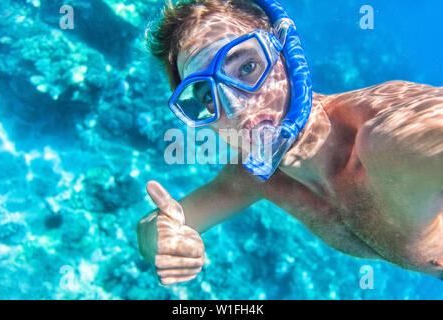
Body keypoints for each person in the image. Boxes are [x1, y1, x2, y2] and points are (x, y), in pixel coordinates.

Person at [136, 0, 443, 285]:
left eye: (246, 67)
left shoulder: (388, 140)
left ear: (287, 54)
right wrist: (162, 241)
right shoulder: (257, 176)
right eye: (207, 95)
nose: (234, 106)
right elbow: (161, 225)